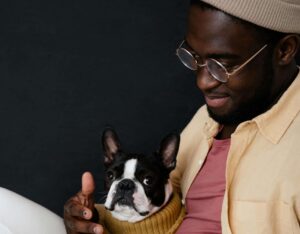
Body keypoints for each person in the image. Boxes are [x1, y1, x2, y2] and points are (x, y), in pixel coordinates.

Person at [63, 0, 300, 233]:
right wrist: (95, 218)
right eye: (195, 58)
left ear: (285, 50)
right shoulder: (208, 118)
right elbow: (156, 201)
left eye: (222, 65)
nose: (202, 81)